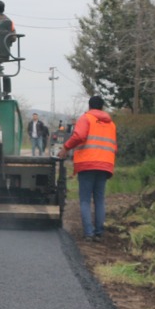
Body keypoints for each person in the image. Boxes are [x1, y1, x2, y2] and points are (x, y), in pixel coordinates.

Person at [62, 95, 118, 241]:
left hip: (87, 163)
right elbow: (114, 146)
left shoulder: (86, 118)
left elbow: (79, 135)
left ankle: (89, 233)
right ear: (102, 107)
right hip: (105, 164)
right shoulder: (111, 124)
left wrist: (66, 148)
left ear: (89, 106)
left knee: (85, 200)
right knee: (99, 199)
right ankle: (99, 233)